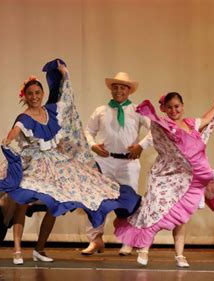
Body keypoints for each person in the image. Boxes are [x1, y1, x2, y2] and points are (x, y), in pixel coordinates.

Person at [0, 59, 140, 265]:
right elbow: (15, 130)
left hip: (54, 164)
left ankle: (39, 248)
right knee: (22, 201)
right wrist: (8, 139)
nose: (34, 97)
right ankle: (17, 250)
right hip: (33, 163)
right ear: (25, 96)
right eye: (30, 94)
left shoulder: (51, 111)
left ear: (41, 94)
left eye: (37, 93)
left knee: (54, 203)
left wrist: (65, 74)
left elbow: (66, 99)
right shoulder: (25, 117)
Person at [114, 92, 214, 268]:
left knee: (182, 217)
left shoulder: (191, 123)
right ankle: (144, 248)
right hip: (165, 175)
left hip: (185, 178)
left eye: (177, 106)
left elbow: (207, 118)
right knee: (155, 209)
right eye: (169, 107)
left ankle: (180, 255)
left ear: (182, 106)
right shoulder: (162, 125)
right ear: (164, 109)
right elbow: (152, 135)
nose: (174, 110)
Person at [83, 72, 152, 256]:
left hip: (127, 163)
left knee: (128, 203)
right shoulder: (101, 110)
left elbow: (156, 130)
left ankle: (127, 241)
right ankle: (95, 239)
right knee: (97, 200)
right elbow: (88, 131)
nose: (119, 90)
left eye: (123, 87)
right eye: (116, 87)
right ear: (111, 89)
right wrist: (93, 146)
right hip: (104, 161)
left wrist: (141, 145)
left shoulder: (137, 111)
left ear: (129, 91)